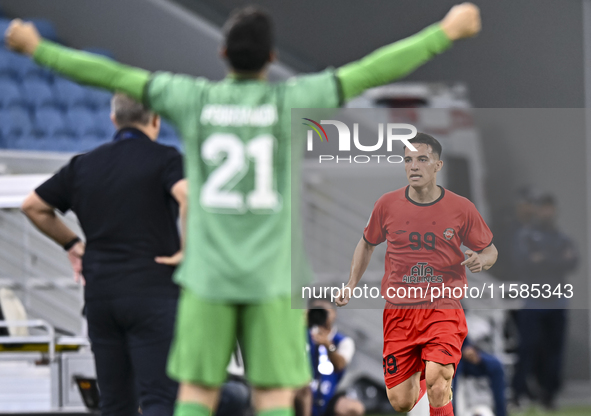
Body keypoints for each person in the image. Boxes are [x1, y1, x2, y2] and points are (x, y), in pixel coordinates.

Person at [5, 4, 481, 416]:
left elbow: (108, 74)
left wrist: (35, 47)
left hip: (208, 278)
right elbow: (372, 69)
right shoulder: (294, 98)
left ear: (221, 55)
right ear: (272, 59)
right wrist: (446, 31)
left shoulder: (193, 99)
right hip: (272, 277)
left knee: (195, 389)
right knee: (273, 393)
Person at [20, 94, 187, 416]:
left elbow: (33, 206)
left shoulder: (83, 164)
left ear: (114, 120)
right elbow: (187, 195)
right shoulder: (166, 158)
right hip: (152, 293)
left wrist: (71, 244)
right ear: (155, 120)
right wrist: (186, 251)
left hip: (101, 295)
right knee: (158, 399)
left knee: (114, 403)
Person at [336, 133, 498, 416]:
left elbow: (490, 250)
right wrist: (351, 284)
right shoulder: (387, 204)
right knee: (401, 402)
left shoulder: (461, 208)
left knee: (438, 381)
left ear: (438, 165)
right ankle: (424, 378)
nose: (413, 166)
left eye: (422, 159)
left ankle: (435, 378)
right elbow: (366, 243)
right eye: (408, 160)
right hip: (400, 314)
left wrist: (481, 260)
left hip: (443, 308)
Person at [510, 194, 577, 410]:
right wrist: (556, 259)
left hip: (558, 300)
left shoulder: (561, 236)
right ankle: (519, 392)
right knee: (528, 348)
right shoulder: (526, 235)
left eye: (550, 208)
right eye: (542, 208)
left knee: (554, 351)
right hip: (533, 300)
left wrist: (545, 258)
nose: (546, 212)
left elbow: (573, 261)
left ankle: (550, 394)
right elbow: (525, 263)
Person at [295, 299, 364, 416]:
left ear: (334, 314)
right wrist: (300, 323)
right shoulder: (299, 333)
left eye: (325, 311)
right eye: (316, 311)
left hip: (327, 397)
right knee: (303, 392)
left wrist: (328, 346)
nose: (320, 315)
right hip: (299, 390)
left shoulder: (342, 341)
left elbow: (340, 365)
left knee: (355, 408)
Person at [453, 338, 507, 416]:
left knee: (495, 365)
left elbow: (464, 338)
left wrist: (468, 348)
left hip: (462, 351)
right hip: (444, 356)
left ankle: (501, 413)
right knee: (451, 371)